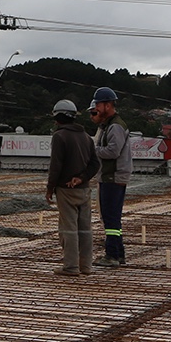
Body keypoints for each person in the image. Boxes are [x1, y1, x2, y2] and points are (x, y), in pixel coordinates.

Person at [46, 98, 100, 277]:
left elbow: (56, 166)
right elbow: (95, 164)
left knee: (68, 229)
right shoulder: (86, 137)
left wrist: (50, 188)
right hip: (84, 190)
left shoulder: (59, 136)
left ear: (58, 117)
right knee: (85, 228)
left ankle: (70, 267)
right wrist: (82, 178)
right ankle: (86, 266)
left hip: (66, 190)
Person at [90, 87, 132, 267]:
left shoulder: (115, 126)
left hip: (112, 177)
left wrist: (93, 150)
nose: (96, 109)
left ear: (107, 105)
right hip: (111, 176)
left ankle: (112, 255)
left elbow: (113, 151)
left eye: (98, 105)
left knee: (111, 218)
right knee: (112, 217)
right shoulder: (109, 125)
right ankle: (118, 253)